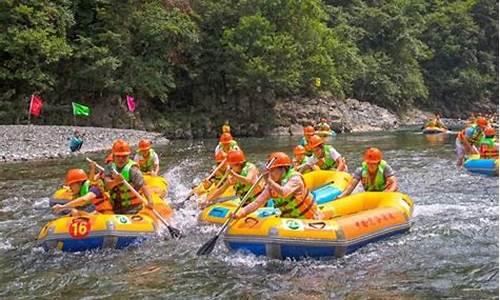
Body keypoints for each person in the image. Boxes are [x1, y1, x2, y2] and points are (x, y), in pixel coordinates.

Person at [232, 152, 322, 220]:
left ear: (282, 169)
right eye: (269, 171)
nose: (270, 174)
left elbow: (284, 192)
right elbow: (257, 203)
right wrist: (241, 213)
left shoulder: (295, 178)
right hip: (290, 221)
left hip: (310, 220)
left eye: (273, 171)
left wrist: (269, 180)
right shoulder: (271, 185)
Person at [104, 139, 154, 214]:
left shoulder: (133, 170)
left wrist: (150, 201)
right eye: (118, 156)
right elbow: (107, 186)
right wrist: (115, 182)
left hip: (133, 208)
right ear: (113, 156)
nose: (121, 159)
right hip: (114, 206)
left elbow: (143, 186)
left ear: (128, 156)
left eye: (124, 156)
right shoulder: (109, 168)